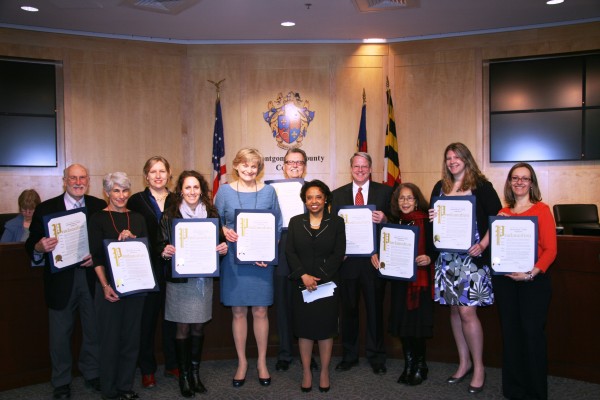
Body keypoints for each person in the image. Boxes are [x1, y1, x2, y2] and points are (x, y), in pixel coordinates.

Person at [25, 164, 105, 400]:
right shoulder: (46, 208)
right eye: (73, 178)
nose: (78, 182)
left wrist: (97, 256)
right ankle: (61, 381)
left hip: (91, 278)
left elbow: (106, 241)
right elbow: (31, 244)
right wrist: (40, 247)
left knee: (93, 331)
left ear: (88, 181)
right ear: (64, 181)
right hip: (60, 280)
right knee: (60, 335)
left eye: (82, 178)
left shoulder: (99, 207)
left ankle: (92, 374)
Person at [429, 142, 501, 394]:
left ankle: (479, 366)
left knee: (468, 313)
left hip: (472, 260)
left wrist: (483, 244)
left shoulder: (482, 187)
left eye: (457, 157)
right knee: (454, 311)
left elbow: (497, 219)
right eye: (448, 157)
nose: (452, 161)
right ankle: (464, 363)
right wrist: (433, 218)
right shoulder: (441, 187)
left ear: (466, 159)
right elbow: (434, 220)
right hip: (447, 260)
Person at [214, 147, 282, 388]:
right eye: (244, 165)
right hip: (233, 259)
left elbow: (277, 224)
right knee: (238, 312)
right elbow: (214, 220)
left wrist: (269, 252)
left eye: (253, 166)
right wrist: (222, 230)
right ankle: (242, 362)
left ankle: (262, 362)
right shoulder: (223, 192)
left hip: (261, 261)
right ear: (235, 166)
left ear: (259, 168)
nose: (249, 170)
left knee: (261, 311)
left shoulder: (268, 192)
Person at [158, 170, 228, 397]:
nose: (192, 192)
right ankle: (184, 376)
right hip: (180, 281)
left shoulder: (211, 212)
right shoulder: (170, 214)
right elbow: (161, 245)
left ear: (202, 190)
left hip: (202, 280)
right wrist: (165, 251)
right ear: (180, 190)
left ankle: (196, 374)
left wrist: (223, 248)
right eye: (187, 187)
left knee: (198, 326)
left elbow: (219, 242)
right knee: (183, 328)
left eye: (196, 187)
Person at [493, 162, 557, 400]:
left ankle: (535, 392)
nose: (519, 182)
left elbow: (551, 251)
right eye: (515, 178)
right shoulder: (503, 213)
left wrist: (531, 273)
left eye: (525, 178)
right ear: (509, 183)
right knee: (510, 335)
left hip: (534, 282)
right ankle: (514, 390)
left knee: (532, 335)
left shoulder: (542, 210)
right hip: (506, 283)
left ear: (532, 183)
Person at [331, 152, 393, 375]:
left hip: (373, 261)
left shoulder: (385, 192)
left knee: (375, 310)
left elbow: (397, 223)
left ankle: (376, 356)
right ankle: (349, 355)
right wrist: (339, 252)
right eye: (356, 166)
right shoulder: (336, 195)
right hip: (347, 263)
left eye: (364, 166)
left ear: (370, 168)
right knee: (348, 310)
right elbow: (333, 229)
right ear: (350, 168)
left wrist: (385, 219)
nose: (360, 170)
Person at [88, 172, 147, 400]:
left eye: (124, 191)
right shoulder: (97, 219)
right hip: (109, 288)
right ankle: (109, 390)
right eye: (116, 191)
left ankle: (125, 386)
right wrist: (104, 286)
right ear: (107, 192)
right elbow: (96, 257)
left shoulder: (138, 219)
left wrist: (134, 241)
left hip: (135, 287)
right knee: (110, 340)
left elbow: (147, 253)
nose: (121, 196)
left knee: (131, 340)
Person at [286, 180, 346, 393]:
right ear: (304, 199)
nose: (314, 201)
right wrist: (304, 276)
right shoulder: (295, 222)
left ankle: (324, 372)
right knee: (305, 330)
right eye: (309, 197)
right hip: (302, 285)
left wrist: (317, 278)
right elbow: (290, 252)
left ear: (325, 199)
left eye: (318, 197)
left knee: (325, 330)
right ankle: (306, 371)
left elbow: (338, 253)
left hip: (327, 284)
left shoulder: (337, 222)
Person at [372, 183, 434, 386]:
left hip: (420, 283)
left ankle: (420, 365)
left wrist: (429, 257)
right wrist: (380, 257)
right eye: (401, 198)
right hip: (400, 282)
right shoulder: (395, 223)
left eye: (409, 198)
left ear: (416, 200)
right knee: (403, 326)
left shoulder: (427, 220)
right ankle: (409, 365)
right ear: (396, 202)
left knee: (417, 327)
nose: (405, 202)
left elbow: (436, 247)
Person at [127, 156, 179, 388]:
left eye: (162, 171)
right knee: (146, 321)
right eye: (153, 171)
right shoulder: (136, 201)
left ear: (169, 174)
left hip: (174, 268)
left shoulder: (178, 199)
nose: (158, 175)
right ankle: (147, 369)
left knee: (172, 319)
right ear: (146, 175)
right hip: (146, 269)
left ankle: (172, 363)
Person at [274, 148, 317, 372]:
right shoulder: (272, 191)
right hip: (281, 251)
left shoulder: (314, 191)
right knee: (282, 304)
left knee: (307, 304)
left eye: (299, 163)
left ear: (305, 166)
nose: (295, 166)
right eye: (290, 162)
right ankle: (284, 353)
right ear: (283, 165)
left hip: (307, 254)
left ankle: (308, 353)